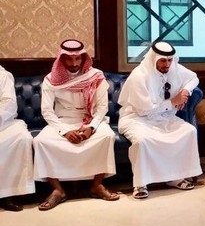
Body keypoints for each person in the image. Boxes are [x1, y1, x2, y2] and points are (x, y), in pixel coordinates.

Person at [33, 39, 119, 210]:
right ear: (62, 59)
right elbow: (47, 112)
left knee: (107, 136)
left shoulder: (96, 76)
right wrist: (64, 131)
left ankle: (97, 185)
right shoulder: (51, 79)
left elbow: (102, 108)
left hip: (90, 119)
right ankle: (58, 190)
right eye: (69, 59)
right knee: (40, 141)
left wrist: (91, 128)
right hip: (62, 121)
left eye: (77, 59)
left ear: (83, 58)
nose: (74, 63)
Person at [118, 41, 202, 199]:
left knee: (188, 131)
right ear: (154, 58)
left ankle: (175, 177)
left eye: (170, 60)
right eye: (163, 60)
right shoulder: (139, 75)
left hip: (164, 117)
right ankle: (140, 184)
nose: (167, 64)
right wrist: (173, 102)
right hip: (137, 118)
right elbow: (144, 110)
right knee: (142, 141)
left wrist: (185, 91)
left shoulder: (174, 68)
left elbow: (194, 78)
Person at [0, 66, 34, 212]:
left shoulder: (3, 76)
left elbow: (8, 103)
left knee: (21, 138)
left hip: (3, 123)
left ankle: (9, 194)